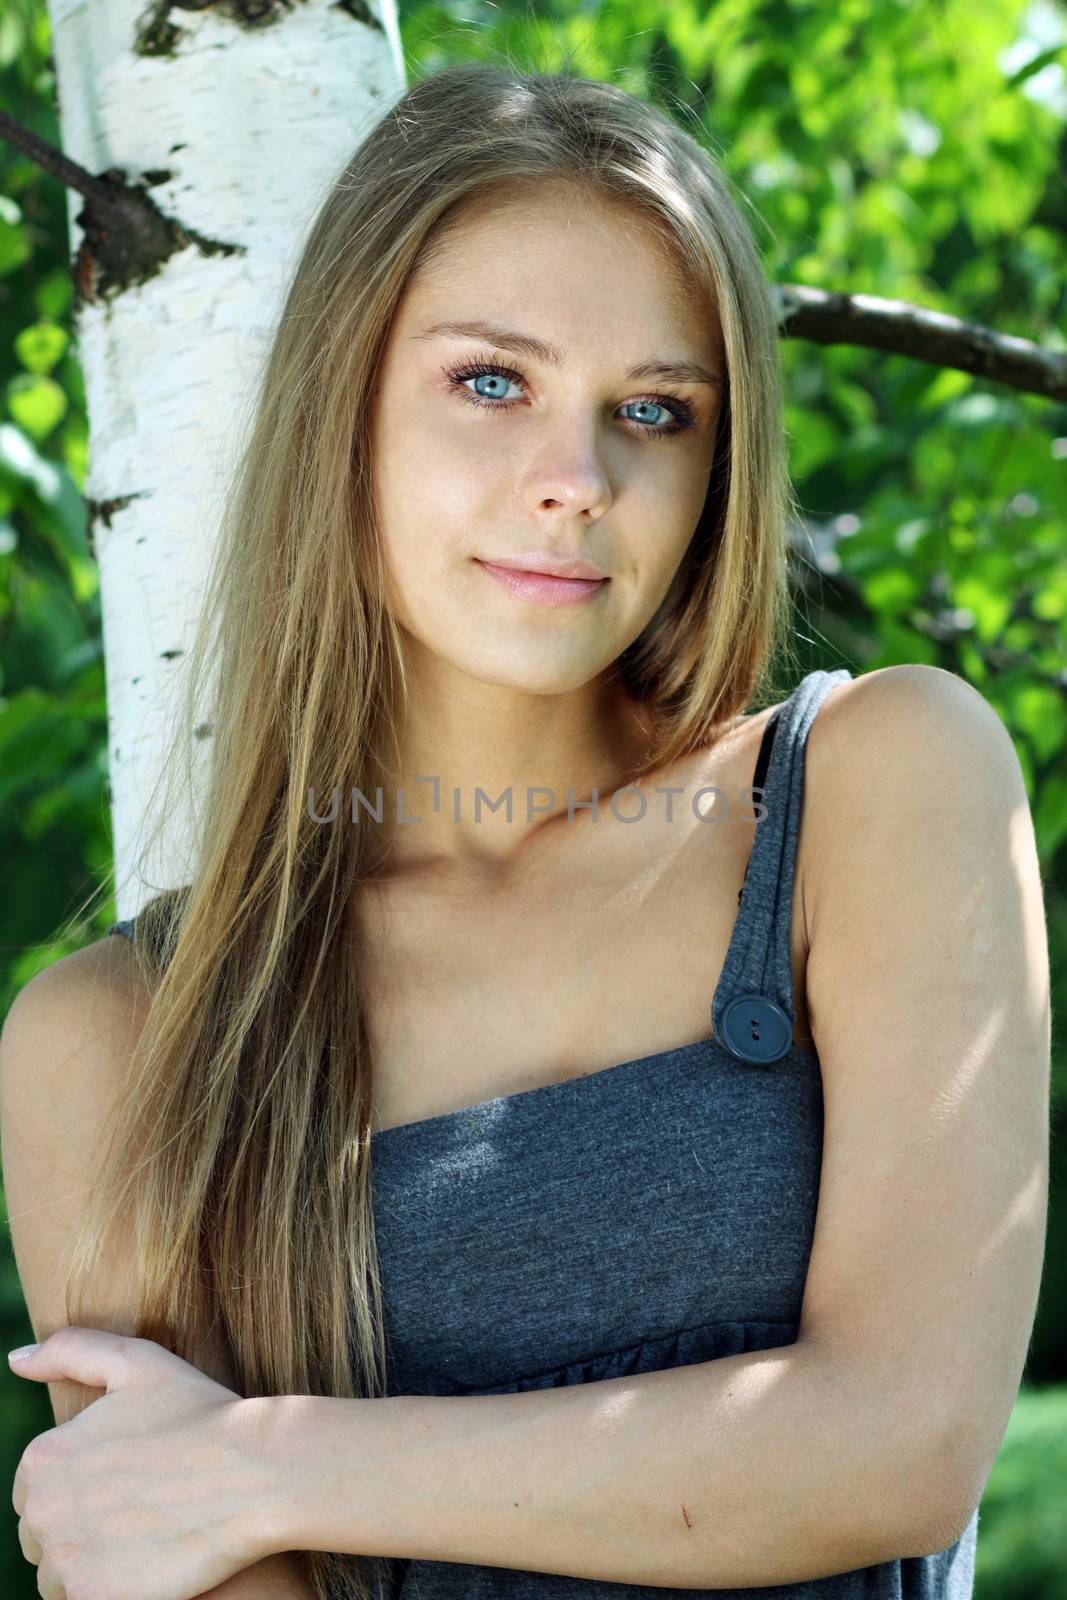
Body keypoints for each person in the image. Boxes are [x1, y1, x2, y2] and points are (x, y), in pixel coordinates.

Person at [1, 58, 1048, 1600]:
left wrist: (264, 1463)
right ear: (340, 403)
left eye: (655, 410)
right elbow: (146, 1537)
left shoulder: (872, 787)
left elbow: (899, 1443)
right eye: (491, 382)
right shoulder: (125, 1039)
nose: (577, 480)